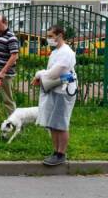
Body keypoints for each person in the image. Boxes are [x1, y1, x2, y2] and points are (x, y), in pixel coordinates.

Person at [32, 25, 77, 166]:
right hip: (55, 89)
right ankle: (55, 151)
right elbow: (50, 72)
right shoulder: (55, 52)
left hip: (64, 91)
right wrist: (43, 76)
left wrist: (39, 74)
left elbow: (54, 73)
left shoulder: (66, 52)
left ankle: (61, 154)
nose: (49, 39)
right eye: (48, 36)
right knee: (52, 123)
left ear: (60, 35)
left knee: (60, 123)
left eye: (51, 36)